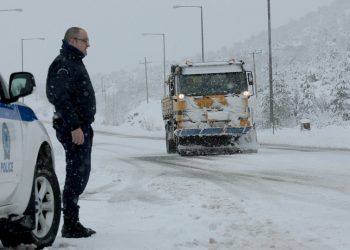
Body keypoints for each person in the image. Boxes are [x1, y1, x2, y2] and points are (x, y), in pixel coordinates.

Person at [46, 27, 96, 238]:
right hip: (73, 128)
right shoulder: (64, 63)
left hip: (81, 126)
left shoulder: (74, 61)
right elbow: (60, 97)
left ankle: (72, 220)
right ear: (73, 41)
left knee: (80, 173)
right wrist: (75, 126)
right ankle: (70, 223)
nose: (88, 45)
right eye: (85, 41)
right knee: (76, 173)